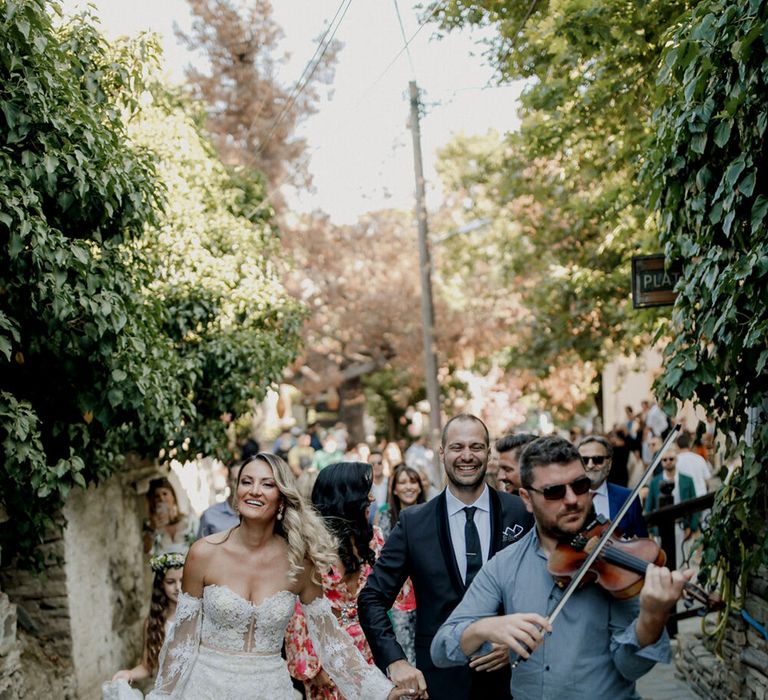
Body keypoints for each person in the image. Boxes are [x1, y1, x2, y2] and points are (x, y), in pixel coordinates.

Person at [430, 435, 695, 700]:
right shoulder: (504, 565)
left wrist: (652, 618)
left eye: (580, 486)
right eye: (554, 491)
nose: (571, 499)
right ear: (526, 498)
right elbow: (441, 650)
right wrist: (484, 628)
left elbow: (630, 667)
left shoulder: (612, 566)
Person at [147, 453, 408, 700]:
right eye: (246, 482)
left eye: (267, 484)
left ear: (282, 498)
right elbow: (182, 641)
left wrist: (381, 691)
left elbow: (330, 641)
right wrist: (163, 695)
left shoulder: (299, 562)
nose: (254, 490)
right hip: (205, 688)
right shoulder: (203, 553)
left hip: (270, 689)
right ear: (237, 492)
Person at [359, 414, 534, 700]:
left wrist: (515, 643)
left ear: (488, 453)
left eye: (476, 447)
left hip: (511, 681)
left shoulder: (521, 512)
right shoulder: (414, 522)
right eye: (457, 447)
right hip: (439, 681)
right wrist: (396, 661)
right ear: (442, 453)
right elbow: (371, 598)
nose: (467, 456)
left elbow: (545, 591)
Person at [285, 462, 383, 699]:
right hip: (325, 652)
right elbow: (297, 610)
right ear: (347, 496)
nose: (371, 497)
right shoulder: (309, 547)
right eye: (364, 490)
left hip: (371, 650)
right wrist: (313, 666)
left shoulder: (375, 539)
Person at [109, 552, 185, 691]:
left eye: (182, 580)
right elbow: (147, 666)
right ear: (161, 585)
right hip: (168, 691)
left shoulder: (197, 616)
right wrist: (129, 673)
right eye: (170, 582)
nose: (178, 587)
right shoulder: (154, 623)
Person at [380, 464, 427, 667]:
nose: (409, 487)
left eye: (413, 481)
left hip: (428, 592)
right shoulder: (385, 518)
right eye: (403, 482)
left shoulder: (431, 513)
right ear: (394, 489)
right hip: (399, 599)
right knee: (404, 650)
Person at [577, 435, 648, 538]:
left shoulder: (628, 497)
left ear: (609, 464)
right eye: (584, 460)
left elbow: (642, 543)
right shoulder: (568, 497)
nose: (590, 465)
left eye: (598, 459)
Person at [644, 446, 700, 565]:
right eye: (665, 460)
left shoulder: (687, 480)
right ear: (661, 462)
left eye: (671, 459)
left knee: (681, 561)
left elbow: (694, 505)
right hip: (661, 528)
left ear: (676, 459)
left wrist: (692, 527)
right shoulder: (655, 482)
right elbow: (649, 507)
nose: (668, 462)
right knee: (663, 561)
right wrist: (650, 531)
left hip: (681, 526)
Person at [143, 478, 198, 555]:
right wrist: (152, 528)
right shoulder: (149, 524)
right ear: (153, 501)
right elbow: (146, 549)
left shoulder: (190, 520)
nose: (161, 499)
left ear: (173, 497)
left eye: (165, 494)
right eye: (157, 496)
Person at [197, 462, 240, 538]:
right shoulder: (209, 515)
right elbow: (199, 548)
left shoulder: (257, 515)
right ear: (228, 481)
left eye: (246, 482)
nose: (240, 485)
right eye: (236, 481)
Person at [674, 432, 711, 497]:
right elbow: (707, 480)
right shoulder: (700, 459)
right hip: (701, 496)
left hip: (685, 498)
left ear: (677, 446)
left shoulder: (675, 460)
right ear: (689, 445)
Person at [368, 450, 389, 524]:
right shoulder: (365, 485)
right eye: (372, 464)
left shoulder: (391, 482)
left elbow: (393, 503)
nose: (376, 466)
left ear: (383, 464)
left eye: (379, 463)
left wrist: (380, 510)